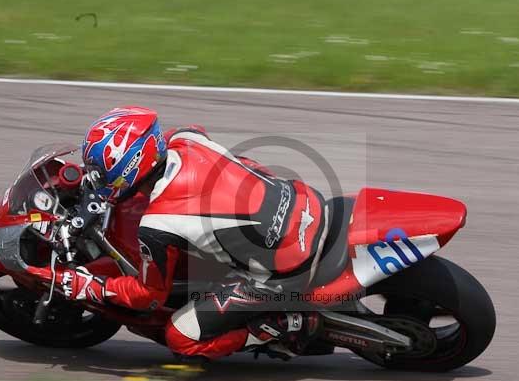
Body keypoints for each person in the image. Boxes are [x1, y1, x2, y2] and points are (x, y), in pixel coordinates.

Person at [31, 106, 327, 360]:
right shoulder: (185, 138)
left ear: (127, 166)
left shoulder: (159, 224)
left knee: (181, 337)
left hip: (286, 270)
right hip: (302, 202)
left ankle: (285, 325)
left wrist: (88, 286)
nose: (96, 177)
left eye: (100, 170)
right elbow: (183, 132)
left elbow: (147, 296)